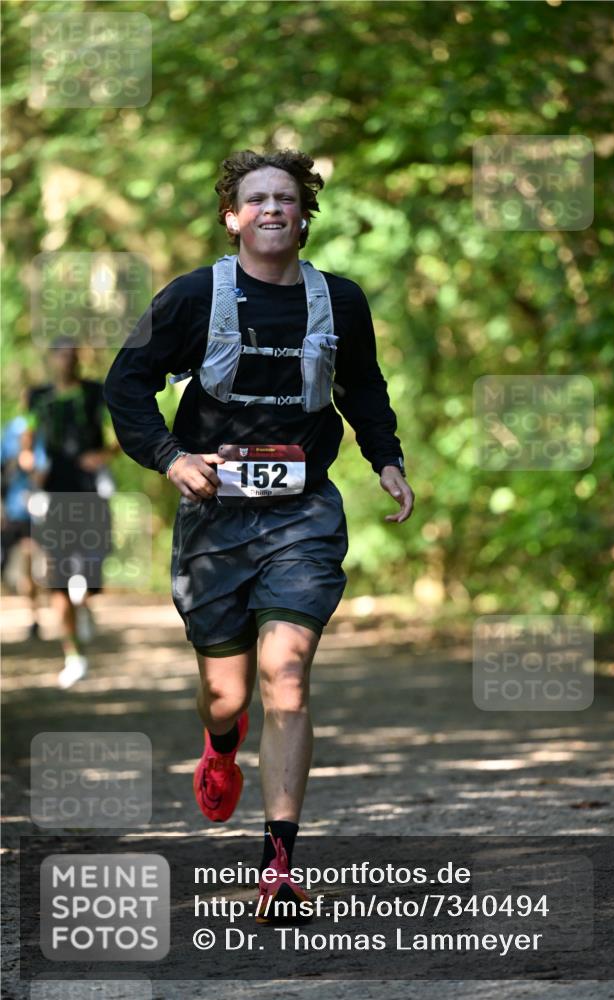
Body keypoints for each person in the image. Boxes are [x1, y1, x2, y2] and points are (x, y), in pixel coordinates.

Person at [103, 148, 414, 924]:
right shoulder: (191, 297)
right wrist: (171, 457)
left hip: (303, 510)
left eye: (285, 198)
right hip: (215, 514)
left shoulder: (339, 300)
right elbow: (126, 383)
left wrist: (386, 459)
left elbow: (362, 385)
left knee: (286, 675)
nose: (272, 209)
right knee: (228, 693)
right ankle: (218, 741)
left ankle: (277, 865)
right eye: (257, 199)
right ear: (232, 217)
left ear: (304, 214)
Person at [29, 338, 118, 688]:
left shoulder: (96, 393)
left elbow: (123, 432)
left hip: (91, 490)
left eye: (72, 355)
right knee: (58, 575)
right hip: (53, 492)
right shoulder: (37, 397)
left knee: (91, 571)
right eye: (61, 355)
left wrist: (104, 455)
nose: (67, 361)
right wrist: (28, 463)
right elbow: (27, 437)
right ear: (52, 359)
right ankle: (74, 655)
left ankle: (85, 600)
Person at [0, 392, 49, 638]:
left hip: (33, 509)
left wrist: (30, 465)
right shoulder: (9, 432)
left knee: (30, 561)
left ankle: (34, 616)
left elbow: (43, 474)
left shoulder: (45, 432)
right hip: (11, 509)